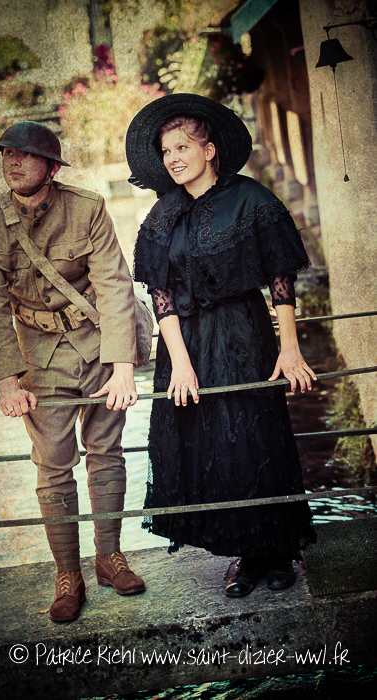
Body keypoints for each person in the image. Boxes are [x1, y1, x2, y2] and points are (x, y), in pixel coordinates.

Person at [126, 93, 317, 598]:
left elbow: (281, 278)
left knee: (254, 437)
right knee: (210, 443)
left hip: (242, 334)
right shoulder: (162, 213)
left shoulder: (251, 199)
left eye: (182, 147)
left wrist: (290, 348)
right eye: (166, 151)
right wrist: (180, 365)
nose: (173, 158)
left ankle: (277, 550)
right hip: (185, 343)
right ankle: (244, 555)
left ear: (209, 150)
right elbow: (161, 295)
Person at [0, 121, 145, 622]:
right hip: (39, 358)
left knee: (106, 452)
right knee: (52, 465)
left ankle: (110, 558)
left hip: (98, 344)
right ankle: (68, 574)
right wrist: (8, 381)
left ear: (51, 168)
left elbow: (114, 284)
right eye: (7, 154)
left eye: (24, 155)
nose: (13, 162)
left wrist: (123, 366)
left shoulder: (86, 208)